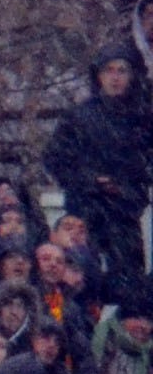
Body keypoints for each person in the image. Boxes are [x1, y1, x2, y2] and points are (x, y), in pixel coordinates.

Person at [47, 47, 152, 291]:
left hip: (124, 217)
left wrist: (125, 186)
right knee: (81, 282)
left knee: (129, 286)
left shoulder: (142, 119)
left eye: (122, 71)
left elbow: (147, 164)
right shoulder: (79, 117)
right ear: (98, 76)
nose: (115, 78)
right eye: (109, 71)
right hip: (84, 213)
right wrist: (92, 181)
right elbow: (55, 160)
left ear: (132, 76)